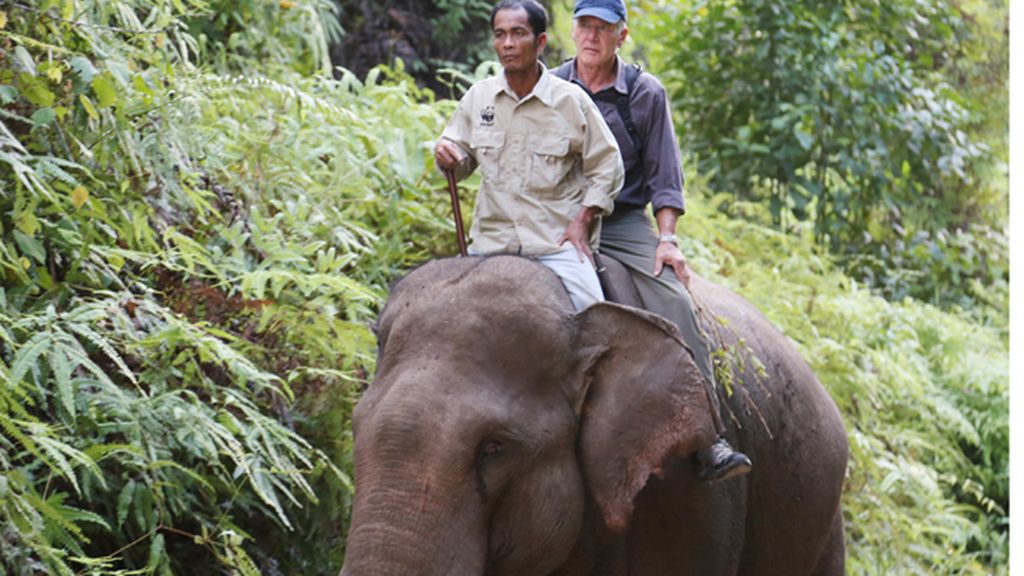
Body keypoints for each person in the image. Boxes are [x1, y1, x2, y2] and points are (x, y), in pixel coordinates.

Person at [554, 0, 752, 481]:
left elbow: (665, 179)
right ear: (573, 29)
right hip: (557, 214)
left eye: (604, 28)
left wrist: (667, 240)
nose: (592, 36)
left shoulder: (645, 93)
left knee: (674, 299)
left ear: (622, 36)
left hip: (621, 220)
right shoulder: (551, 85)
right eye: (585, 26)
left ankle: (709, 439)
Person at [434, 0, 624, 312]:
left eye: (518, 33)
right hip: (490, 244)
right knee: (443, 315)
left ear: (540, 42)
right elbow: (459, 155)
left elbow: (608, 165)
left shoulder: (570, 101)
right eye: (500, 34)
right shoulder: (478, 97)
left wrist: (584, 219)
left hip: (554, 245)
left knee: (593, 313)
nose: (507, 44)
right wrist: (448, 154)